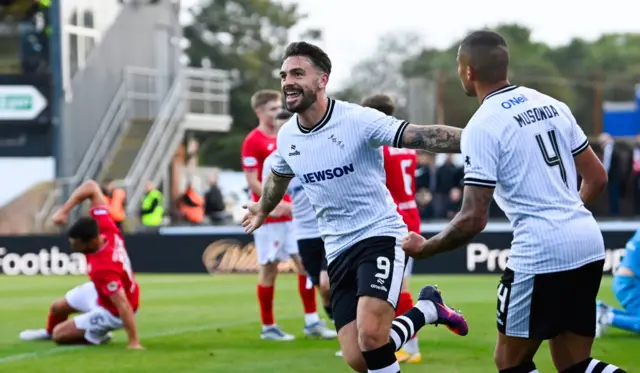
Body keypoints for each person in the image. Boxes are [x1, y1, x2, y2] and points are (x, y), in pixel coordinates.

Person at [401, 30, 625, 373]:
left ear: (468, 71)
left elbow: (473, 218)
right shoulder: (551, 104)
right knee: (574, 364)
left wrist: (425, 247)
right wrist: (566, 215)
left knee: (510, 363)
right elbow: (597, 178)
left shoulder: (483, 125)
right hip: (587, 241)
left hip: (541, 251)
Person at [242, 41, 468, 373]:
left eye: (297, 73)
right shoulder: (289, 136)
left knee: (373, 337)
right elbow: (278, 176)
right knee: (358, 358)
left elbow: (422, 135)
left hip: (379, 235)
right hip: (336, 248)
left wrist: (484, 138)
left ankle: (425, 310)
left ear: (322, 80)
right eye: (284, 74)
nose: (288, 81)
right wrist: (263, 207)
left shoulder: (357, 119)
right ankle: (427, 310)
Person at [241, 89, 335, 341]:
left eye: (278, 107)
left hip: (297, 218)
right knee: (269, 268)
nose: (277, 112)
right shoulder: (254, 141)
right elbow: (253, 180)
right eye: (272, 108)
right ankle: (268, 325)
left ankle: (311, 320)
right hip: (271, 218)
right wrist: (274, 202)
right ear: (260, 112)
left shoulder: (289, 136)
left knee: (305, 267)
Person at [19, 180, 142, 349]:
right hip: (101, 292)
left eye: (77, 244)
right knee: (57, 307)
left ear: (91, 242)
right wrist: (63, 211)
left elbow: (123, 305)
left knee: (60, 335)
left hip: (113, 312)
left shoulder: (104, 267)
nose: (73, 248)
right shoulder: (106, 229)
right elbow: (91, 186)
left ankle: (97, 334)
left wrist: (133, 342)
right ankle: (48, 332)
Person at [361, 93, 422, 364]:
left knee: (397, 286)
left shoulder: (379, 144)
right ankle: (401, 342)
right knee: (396, 283)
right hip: (411, 211)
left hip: (391, 215)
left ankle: (411, 347)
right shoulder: (405, 141)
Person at [596, 228, 640, 337]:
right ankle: (606, 318)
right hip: (630, 285)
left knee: (636, 315)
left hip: (626, 282)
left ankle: (603, 310)